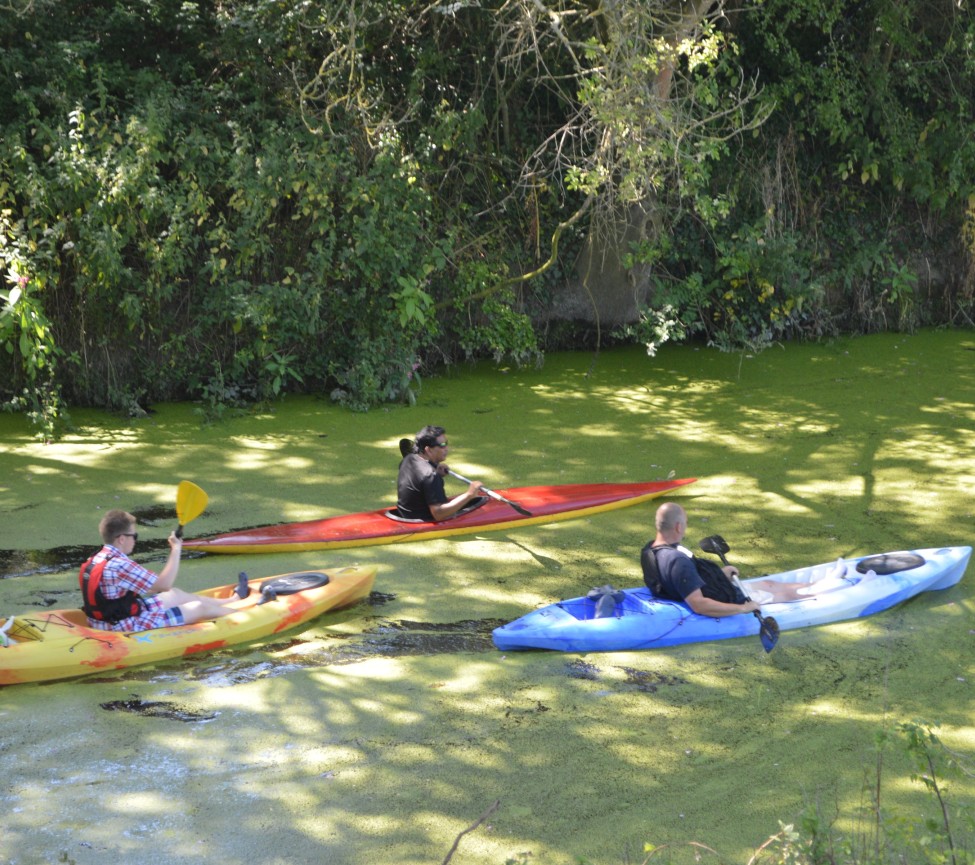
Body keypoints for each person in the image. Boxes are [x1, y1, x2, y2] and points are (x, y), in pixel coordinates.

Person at [641, 502, 841, 617]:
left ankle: (817, 582)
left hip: (700, 589)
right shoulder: (677, 561)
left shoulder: (649, 549)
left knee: (768, 583)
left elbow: (678, 579)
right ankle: (828, 588)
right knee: (777, 593)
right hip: (720, 599)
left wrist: (718, 575)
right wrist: (744, 608)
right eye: (685, 523)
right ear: (678, 527)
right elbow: (699, 604)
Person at [79, 509, 248, 632]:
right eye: (134, 536)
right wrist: (176, 548)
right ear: (122, 539)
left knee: (176, 595)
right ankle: (248, 617)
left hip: (108, 618)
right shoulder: (120, 565)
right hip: (120, 625)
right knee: (198, 608)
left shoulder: (96, 559)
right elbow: (164, 584)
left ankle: (232, 600)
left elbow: (152, 588)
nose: (135, 540)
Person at [396, 425, 486, 521]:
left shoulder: (408, 459)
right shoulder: (430, 475)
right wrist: (469, 495)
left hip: (405, 515)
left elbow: (418, 478)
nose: (447, 448)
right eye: (442, 445)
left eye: (446, 443)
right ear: (428, 450)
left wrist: (435, 468)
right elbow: (438, 514)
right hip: (424, 522)